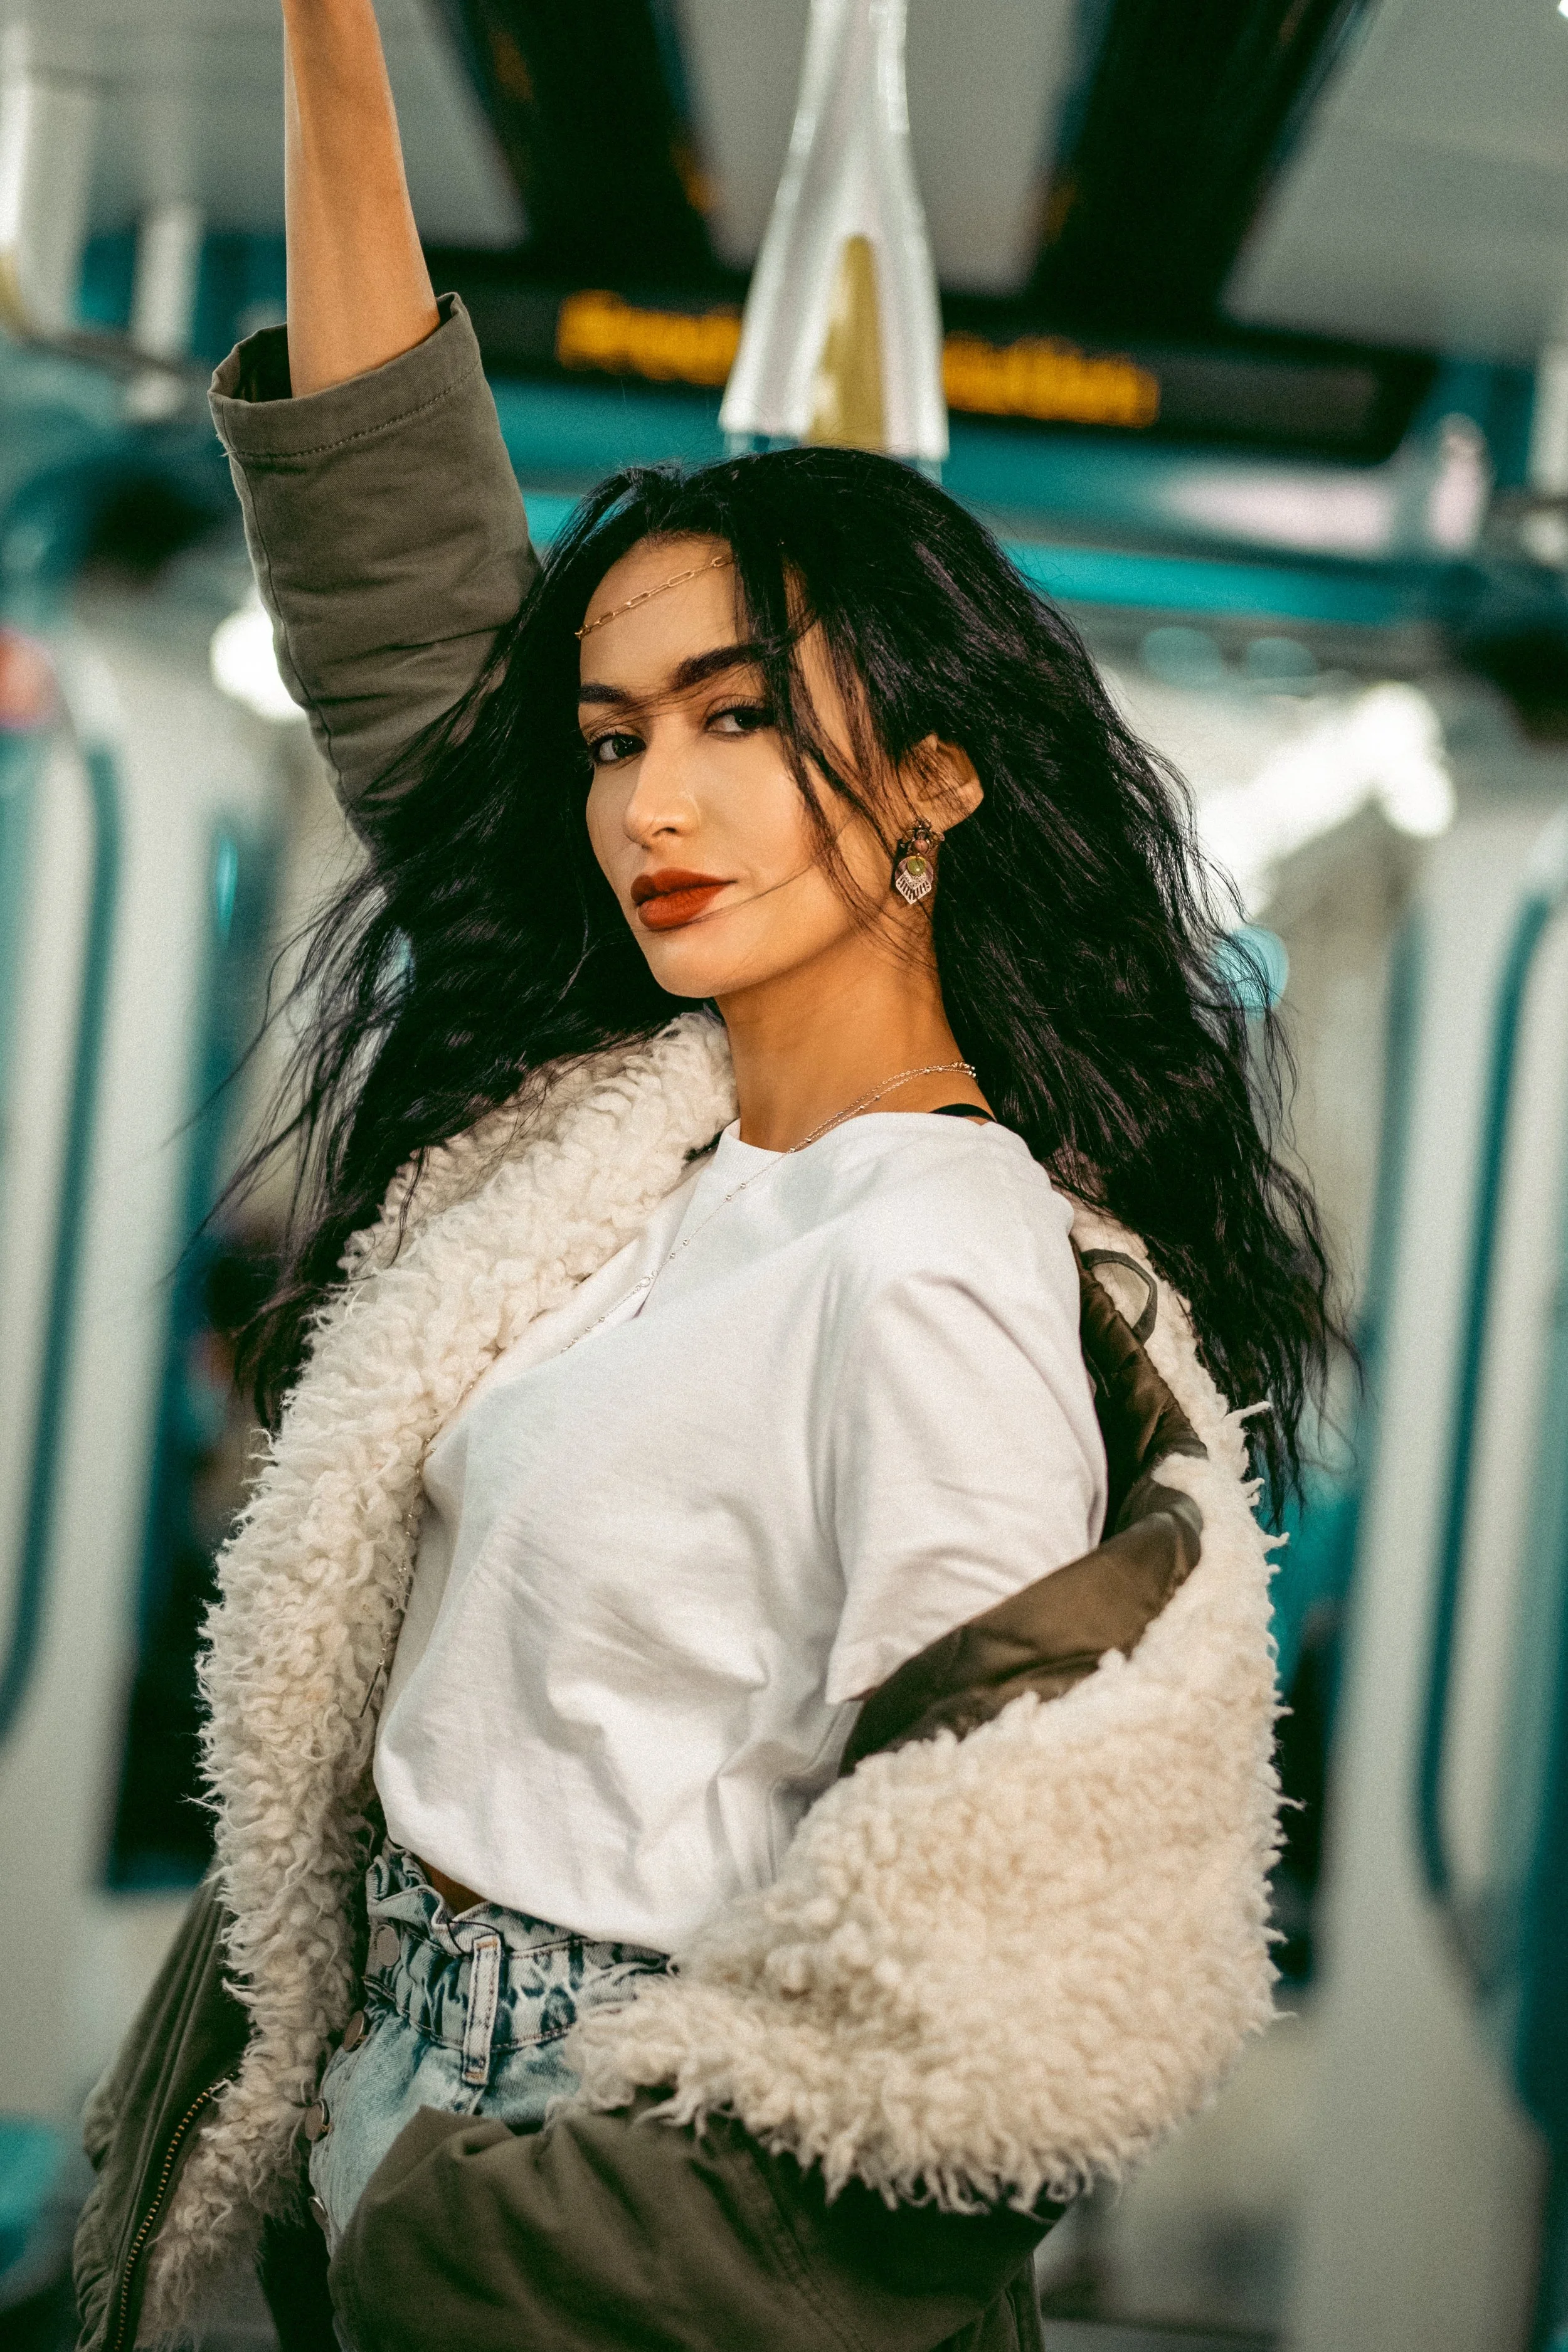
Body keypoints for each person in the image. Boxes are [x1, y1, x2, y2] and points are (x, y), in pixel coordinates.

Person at [73, 4, 1337, 2347]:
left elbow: (970, 2002)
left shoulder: (941, 1260)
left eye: (742, 719)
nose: (656, 802)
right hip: (400, 2071)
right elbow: (392, 557)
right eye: (615, 737)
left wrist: (471, 2218)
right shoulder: (627, 1128)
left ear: (940, 776)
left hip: (589, 2181)